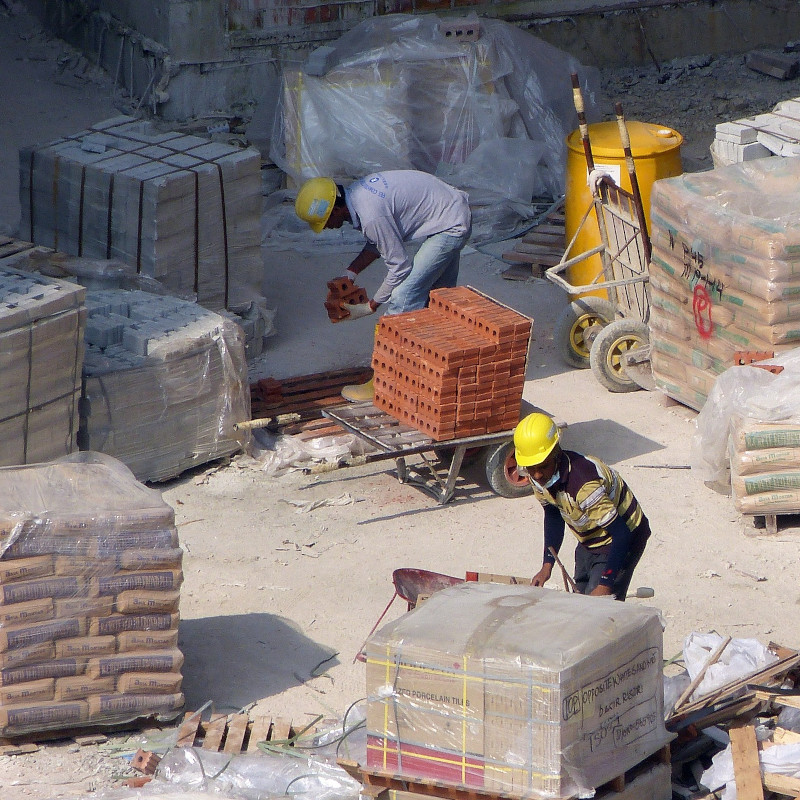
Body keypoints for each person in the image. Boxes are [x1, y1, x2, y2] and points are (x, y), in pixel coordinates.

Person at [295, 171, 472, 400]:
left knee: (402, 300)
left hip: (449, 226)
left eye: (325, 222)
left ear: (335, 210)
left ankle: (383, 383)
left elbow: (400, 266)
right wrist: (351, 274)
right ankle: (437, 373)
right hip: (451, 211)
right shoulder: (359, 197)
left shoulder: (370, 216)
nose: (327, 228)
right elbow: (377, 242)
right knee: (438, 301)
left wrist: (371, 305)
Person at [513, 412, 651, 601]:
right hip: (590, 538)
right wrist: (547, 565)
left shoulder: (584, 486)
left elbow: (621, 534)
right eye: (531, 468)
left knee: (600, 609)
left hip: (622, 537)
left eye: (542, 466)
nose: (537, 475)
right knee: (580, 598)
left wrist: (606, 583)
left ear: (556, 454)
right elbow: (553, 515)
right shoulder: (539, 479)